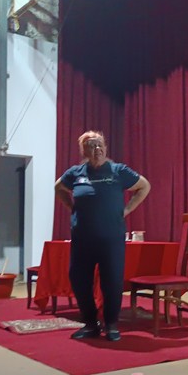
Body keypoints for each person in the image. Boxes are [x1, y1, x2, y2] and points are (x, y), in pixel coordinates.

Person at [55, 131, 151, 342]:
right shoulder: (76, 173)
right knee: (79, 280)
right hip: (82, 238)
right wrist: (72, 207)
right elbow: (58, 187)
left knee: (112, 282)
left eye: (100, 145)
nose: (97, 149)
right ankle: (91, 324)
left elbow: (144, 186)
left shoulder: (118, 171)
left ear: (106, 148)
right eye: (91, 146)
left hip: (111, 238)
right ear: (84, 151)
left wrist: (127, 210)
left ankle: (111, 324)